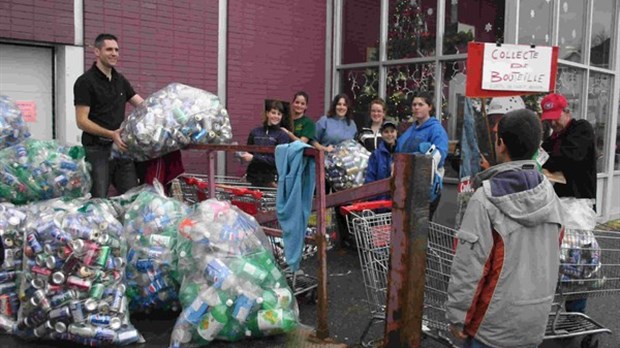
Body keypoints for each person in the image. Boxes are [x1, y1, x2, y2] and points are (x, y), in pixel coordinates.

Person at [446, 109, 563, 348]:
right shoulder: (550, 195)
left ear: (501, 144)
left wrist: (458, 318)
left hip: (490, 326)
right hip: (534, 321)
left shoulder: (485, 199)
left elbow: (471, 267)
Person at [540, 92, 597, 314]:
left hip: (576, 204)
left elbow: (569, 158)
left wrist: (548, 161)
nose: (553, 122)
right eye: (549, 118)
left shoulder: (580, 129)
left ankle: (576, 311)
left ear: (567, 111)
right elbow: (541, 158)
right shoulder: (552, 138)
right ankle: (554, 306)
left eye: (556, 116)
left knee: (576, 261)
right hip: (555, 202)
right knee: (554, 259)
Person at [74, 33, 144, 198]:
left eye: (117, 50)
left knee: (132, 197)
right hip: (96, 150)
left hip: (120, 149)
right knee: (99, 199)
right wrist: (111, 134)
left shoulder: (120, 80)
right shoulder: (85, 82)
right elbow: (81, 121)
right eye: (109, 49)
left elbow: (143, 105)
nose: (114, 54)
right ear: (97, 52)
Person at [395, 92, 448, 220]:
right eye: (414, 105)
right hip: (406, 187)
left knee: (419, 231)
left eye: (420, 104)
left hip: (425, 189)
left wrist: (417, 158)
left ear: (429, 107)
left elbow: (439, 156)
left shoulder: (436, 130)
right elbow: (398, 152)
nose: (416, 107)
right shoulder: (410, 130)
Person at [239, 100, 290, 187]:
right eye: (273, 113)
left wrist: (254, 158)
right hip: (253, 178)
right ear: (267, 113)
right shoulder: (254, 132)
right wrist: (241, 155)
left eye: (279, 114)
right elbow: (249, 153)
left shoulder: (283, 135)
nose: (276, 116)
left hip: (271, 180)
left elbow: (278, 161)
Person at [364, 119, 397, 200]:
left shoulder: (402, 152)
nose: (389, 134)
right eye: (386, 132)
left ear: (396, 132)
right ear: (381, 134)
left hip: (397, 201)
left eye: (392, 131)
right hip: (380, 201)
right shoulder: (375, 155)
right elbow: (370, 180)